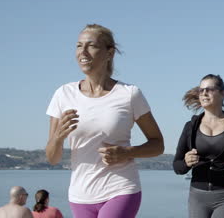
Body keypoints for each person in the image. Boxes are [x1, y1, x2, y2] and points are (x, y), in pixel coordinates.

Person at [45, 24, 165, 218]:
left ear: (109, 53)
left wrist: (127, 152)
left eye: (91, 45)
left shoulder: (129, 94)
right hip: (80, 195)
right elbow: (52, 158)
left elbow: (158, 144)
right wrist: (58, 138)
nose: (82, 51)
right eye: (78, 45)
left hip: (121, 188)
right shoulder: (63, 94)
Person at [173, 74, 224, 218]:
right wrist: (186, 163)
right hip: (197, 197)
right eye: (201, 90)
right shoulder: (190, 127)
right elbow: (177, 166)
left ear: (222, 94)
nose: (204, 93)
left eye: (209, 89)